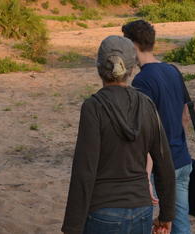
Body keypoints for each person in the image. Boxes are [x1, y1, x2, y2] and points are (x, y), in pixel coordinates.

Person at [62, 35, 175, 234]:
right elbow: (164, 162)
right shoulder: (146, 104)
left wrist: (72, 227)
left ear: (99, 68)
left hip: (103, 212)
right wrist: (166, 215)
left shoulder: (93, 107)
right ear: (131, 69)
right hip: (142, 209)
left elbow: (84, 170)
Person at [123, 19, 192, 234]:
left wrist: (146, 174)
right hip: (182, 159)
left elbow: (146, 131)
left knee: (146, 224)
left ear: (133, 46)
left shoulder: (142, 81)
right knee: (180, 225)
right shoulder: (173, 70)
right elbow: (185, 117)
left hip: (160, 167)